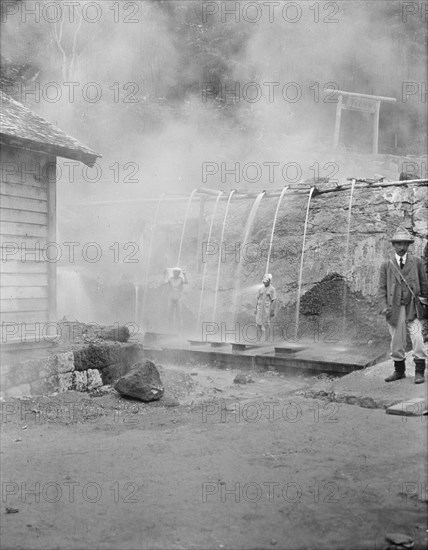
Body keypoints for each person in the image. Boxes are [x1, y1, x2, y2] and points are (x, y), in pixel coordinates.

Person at [377, 226, 428, 384]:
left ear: (408, 245)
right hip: (394, 308)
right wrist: (384, 306)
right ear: (393, 245)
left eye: (405, 244)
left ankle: (419, 372)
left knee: (418, 339)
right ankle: (399, 371)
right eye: (398, 243)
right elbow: (381, 289)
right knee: (396, 342)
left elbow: (424, 284)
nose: (401, 247)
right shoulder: (387, 265)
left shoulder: (417, 262)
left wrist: (425, 302)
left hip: (412, 307)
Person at [255, 273, 277, 342]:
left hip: (266, 309)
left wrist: (272, 310)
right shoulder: (260, 288)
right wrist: (255, 308)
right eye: (264, 281)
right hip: (259, 309)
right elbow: (258, 299)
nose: (265, 283)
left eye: (266, 281)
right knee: (258, 324)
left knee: (266, 324)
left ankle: (266, 341)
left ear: (270, 281)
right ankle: (258, 340)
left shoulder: (272, 289)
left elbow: (274, 300)